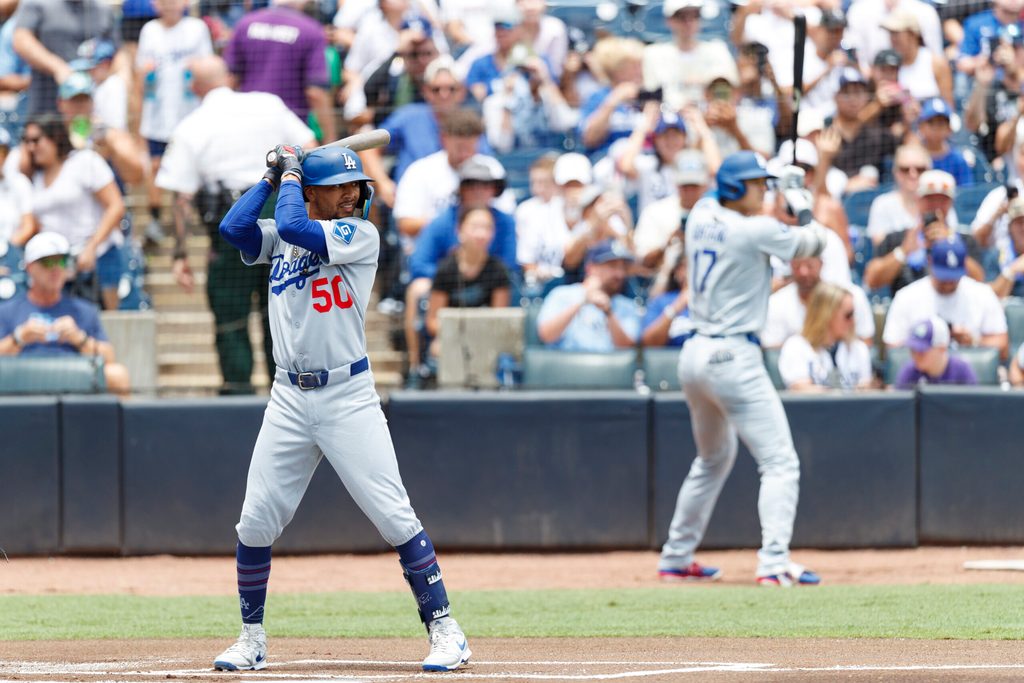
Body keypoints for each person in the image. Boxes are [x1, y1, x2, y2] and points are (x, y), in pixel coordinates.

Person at [212, 144, 470, 672]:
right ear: (311, 192)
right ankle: (251, 638)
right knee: (255, 522)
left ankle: (447, 631)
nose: (352, 194)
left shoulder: (359, 233)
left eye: (355, 186)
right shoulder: (283, 232)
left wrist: (289, 176)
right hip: (288, 396)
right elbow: (233, 230)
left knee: (393, 514)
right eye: (338, 186)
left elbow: (299, 229)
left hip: (346, 395)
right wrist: (270, 177)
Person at [657, 150, 828, 586]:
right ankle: (773, 563)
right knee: (780, 462)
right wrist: (798, 197)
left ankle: (676, 556)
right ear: (736, 188)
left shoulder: (701, 213)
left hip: (694, 356)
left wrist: (778, 189)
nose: (763, 189)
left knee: (713, 458)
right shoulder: (754, 231)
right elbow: (814, 241)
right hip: (734, 357)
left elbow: (752, 211)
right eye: (757, 184)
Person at [155, 55, 317, 394]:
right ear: (228, 77)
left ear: (194, 86)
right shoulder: (269, 104)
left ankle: (238, 391)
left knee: (231, 312)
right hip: (283, 211)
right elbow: (311, 148)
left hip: (235, 221)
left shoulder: (190, 125)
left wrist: (180, 256)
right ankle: (290, 390)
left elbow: (182, 199)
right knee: (284, 306)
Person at [0, 232, 130, 394]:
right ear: (30, 267)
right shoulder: (7, 310)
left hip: (72, 379)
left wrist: (80, 339)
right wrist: (19, 337)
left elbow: (109, 356)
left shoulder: (84, 310)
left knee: (117, 374)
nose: (55, 269)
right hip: (22, 380)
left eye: (61, 261)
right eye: (47, 262)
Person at [21, 116, 126, 311]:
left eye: (36, 140)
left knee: (107, 323)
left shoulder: (84, 161)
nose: (31, 147)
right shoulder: (35, 177)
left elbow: (116, 205)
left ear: (55, 138)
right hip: (58, 265)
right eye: (26, 141)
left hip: (98, 257)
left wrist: (92, 247)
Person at [133, 0, 213, 244]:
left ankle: (183, 232)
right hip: (157, 115)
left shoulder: (196, 28)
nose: (169, 4)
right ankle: (155, 220)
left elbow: (208, 67)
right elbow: (139, 74)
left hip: (189, 116)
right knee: (156, 167)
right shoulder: (149, 31)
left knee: (185, 172)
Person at [223, 0, 337, 144]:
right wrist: (331, 140)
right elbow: (316, 92)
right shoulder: (311, 31)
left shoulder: (246, 24)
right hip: (290, 130)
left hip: (247, 123)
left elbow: (229, 79)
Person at [882, 238, 1008, 355]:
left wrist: (974, 341)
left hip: (971, 372)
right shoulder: (906, 297)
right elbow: (893, 349)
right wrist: (924, 343)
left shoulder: (982, 294)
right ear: (930, 262)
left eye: (953, 277)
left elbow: (1003, 346)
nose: (948, 283)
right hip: (922, 373)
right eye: (944, 276)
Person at [865, 169, 983, 293]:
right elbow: (872, 280)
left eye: (942, 200)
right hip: (908, 307)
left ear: (950, 203)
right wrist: (903, 251)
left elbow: (979, 279)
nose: (936, 205)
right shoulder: (898, 238)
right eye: (930, 199)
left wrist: (950, 246)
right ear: (918, 200)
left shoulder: (964, 241)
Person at [424, 206, 511, 355]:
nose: (481, 234)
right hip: (451, 336)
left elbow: (499, 319)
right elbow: (432, 321)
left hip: (485, 338)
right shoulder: (446, 269)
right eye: (475, 227)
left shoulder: (498, 270)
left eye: (487, 228)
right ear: (459, 230)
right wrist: (458, 332)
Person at [12, 0, 118, 115]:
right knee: (41, 131)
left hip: (91, 104)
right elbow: (21, 39)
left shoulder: (102, 8)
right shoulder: (37, 3)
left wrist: (109, 73)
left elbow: (119, 52)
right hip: (47, 103)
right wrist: (57, 67)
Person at [536, 239, 641, 351]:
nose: (619, 274)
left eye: (623, 267)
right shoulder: (562, 294)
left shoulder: (627, 306)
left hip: (608, 367)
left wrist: (608, 312)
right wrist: (582, 300)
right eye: (612, 266)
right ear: (590, 268)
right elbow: (546, 336)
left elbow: (627, 349)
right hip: (566, 366)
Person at [762, 255, 875, 349]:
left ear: (821, 264)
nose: (803, 272)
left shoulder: (845, 297)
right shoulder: (795, 347)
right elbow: (772, 353)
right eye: (797, 265)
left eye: (810, 265)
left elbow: (865, 341)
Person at [641, 0, 738, 111]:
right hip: (669, 121)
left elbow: (729, 92)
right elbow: (652, 95)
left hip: (710, 118)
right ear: (670, 20)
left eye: (694, 16)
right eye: (682, 17)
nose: (688, 23)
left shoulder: (718, 50)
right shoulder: (653, 54)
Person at [777, 281, 873, 391]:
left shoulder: (858, 348)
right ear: (826, 315)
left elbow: (865, 392)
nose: (853, 321)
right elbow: (801, 390)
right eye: (848, 315)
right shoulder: (796, 347)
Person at [633, 149, 709, 270]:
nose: (689, 191)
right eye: (685, 185)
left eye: (694, 186)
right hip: (665, 281)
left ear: (705, 184)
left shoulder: (716, 213)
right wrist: (668, 242)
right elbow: (643, 261)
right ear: (676, 183)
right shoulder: (656, 212)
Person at [866, 144, 934, 247]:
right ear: (896, 172)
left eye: (920, 169)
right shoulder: (882, 204)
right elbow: (879, 248)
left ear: (929, 171)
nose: (913, 174)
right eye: (905, 169)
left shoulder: (940, 201)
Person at [881, 10, 953, 105]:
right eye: (890, 33)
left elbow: (948, 106)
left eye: (896, 33)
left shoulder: (936, 63)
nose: (892, 39)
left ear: (912, 34)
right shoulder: (890, 67)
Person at [893, 314, 978, 388]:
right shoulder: (909, 371)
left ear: (942, 348)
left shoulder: (961, 370)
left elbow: (973, 404)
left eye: (922, 350)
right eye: (913, 350)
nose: (916, 355)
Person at [916, 98, 973, 187]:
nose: (936, 128)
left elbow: (965, 193)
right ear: (921, 127)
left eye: (941, 123)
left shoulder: (958, 160)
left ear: (949, 129)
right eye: (931, 123)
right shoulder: (913, 159)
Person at [640, 250, 691, 346]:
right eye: (686, 266)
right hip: (669, 359)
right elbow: (648, 343)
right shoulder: (660, 302)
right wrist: (677, 307)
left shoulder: (713, 302)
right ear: (677, 271)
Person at [0, 127, 33, 247]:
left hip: (11, 255)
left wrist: (8, 249)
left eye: (1, 151)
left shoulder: (19, 183)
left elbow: (28, 226)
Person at [988, 196, 1024, 297]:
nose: (1023, 228)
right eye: (1018, 223)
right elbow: (988, 297)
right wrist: (1011, 271)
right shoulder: (996, 255)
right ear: (1009, 228)